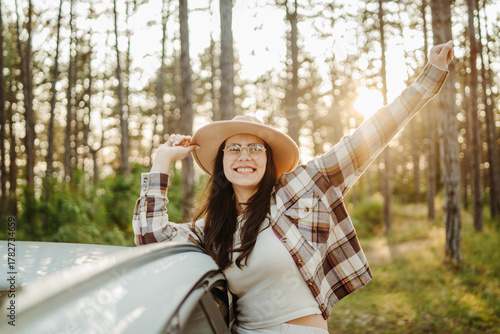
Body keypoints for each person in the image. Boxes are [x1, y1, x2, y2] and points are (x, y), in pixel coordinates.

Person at [132, 41, 454, 333]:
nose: (245, 156)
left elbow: (369, 135)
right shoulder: (212, 229)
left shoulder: (301, 188)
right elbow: (151, 239)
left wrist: (428, 79)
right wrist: (162, 163)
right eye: (234, 148)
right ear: (222, 163)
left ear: (269, 159)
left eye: (255, 148)